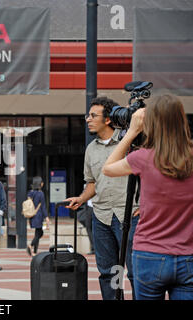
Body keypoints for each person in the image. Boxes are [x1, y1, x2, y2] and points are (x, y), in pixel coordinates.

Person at [102, 94, 193, 300]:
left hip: (150, 254)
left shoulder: (142, 158)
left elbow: (107, 169)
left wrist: (132, 131)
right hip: (188, 255)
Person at [64, 96, 139, 300]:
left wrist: (145, 204)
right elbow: (93, 183)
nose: (88, 119)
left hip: (130, 215)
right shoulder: (91, 149)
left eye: (93, 115)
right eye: (88, 115)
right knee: (109, 272)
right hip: (101, 216)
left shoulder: (129, 143)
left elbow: (146, 174)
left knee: (135, 272)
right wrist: (81, 198)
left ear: (107, 120)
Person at [26, 176, 50, 257]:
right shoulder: (40, 193)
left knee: (38, 232)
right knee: (39, 233)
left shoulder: (30, 193)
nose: (43, 183)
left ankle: (35, 251)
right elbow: (43, 206)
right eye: (41, 182)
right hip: (38, 215)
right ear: (40, 184)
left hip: (32, 215)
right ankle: (31, 245)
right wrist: (46, 217)